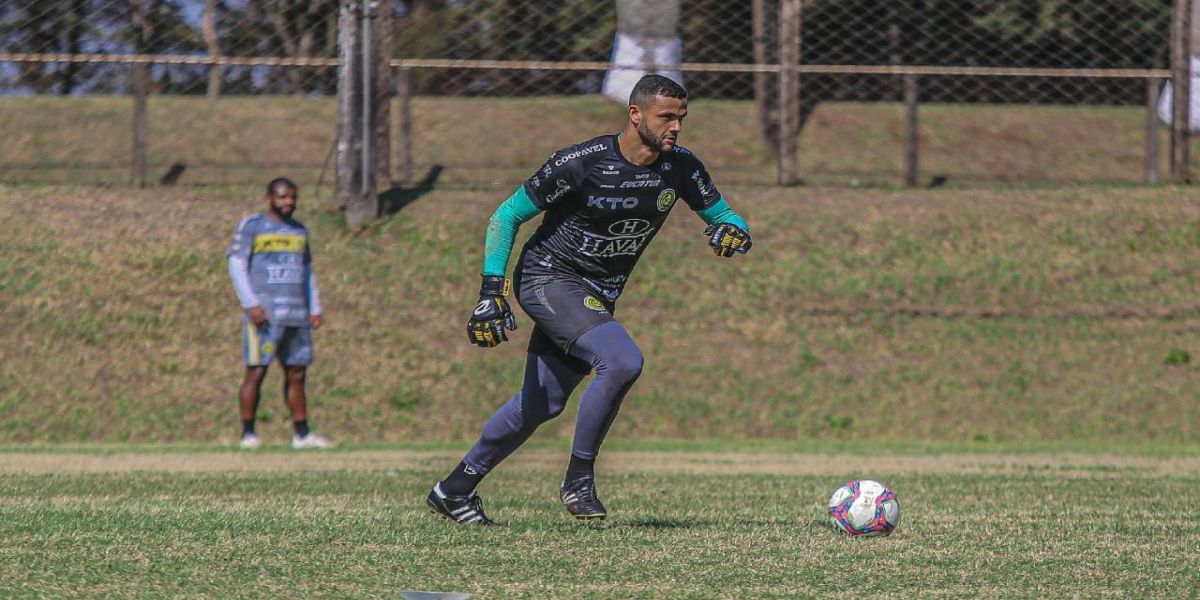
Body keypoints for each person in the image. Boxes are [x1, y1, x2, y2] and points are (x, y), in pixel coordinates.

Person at [427, 75, 752, 525]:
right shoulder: (581, 162)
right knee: (621, 361)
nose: (675, 127)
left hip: (597, 294)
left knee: (541, 403)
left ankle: (454, 489)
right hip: (547, 278)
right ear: (635, 114)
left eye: (681, 118)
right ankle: (579, 478)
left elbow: (725, 216)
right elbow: (506, 215)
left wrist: (735, 231)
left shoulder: (681, 167)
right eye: (666, 117)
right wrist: (490, 292)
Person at [226, 177, 332, 450]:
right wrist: (250, 304)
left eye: (292, 198)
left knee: (297, 372)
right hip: (264, 314)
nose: (289, 203)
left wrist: (314, 307)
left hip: (295, 313)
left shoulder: (299, 230)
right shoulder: (253, 226)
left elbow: (307, 270)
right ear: (269, 198)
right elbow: (236, 263)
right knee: (257, 370)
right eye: (283, 197)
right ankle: (248, 434)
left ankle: (302, 434)